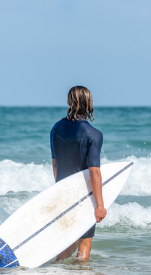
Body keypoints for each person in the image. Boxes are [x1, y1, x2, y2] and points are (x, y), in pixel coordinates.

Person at [51, 85, 106, 262]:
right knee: (84, 245)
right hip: (82, 196)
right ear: (89, 103)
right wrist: (99, 205)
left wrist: (60, 190)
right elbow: (94, 171)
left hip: (62, 193)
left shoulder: (56, 128)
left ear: (69, 102)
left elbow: (55, 164)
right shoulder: (93, 134)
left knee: (68, 243)